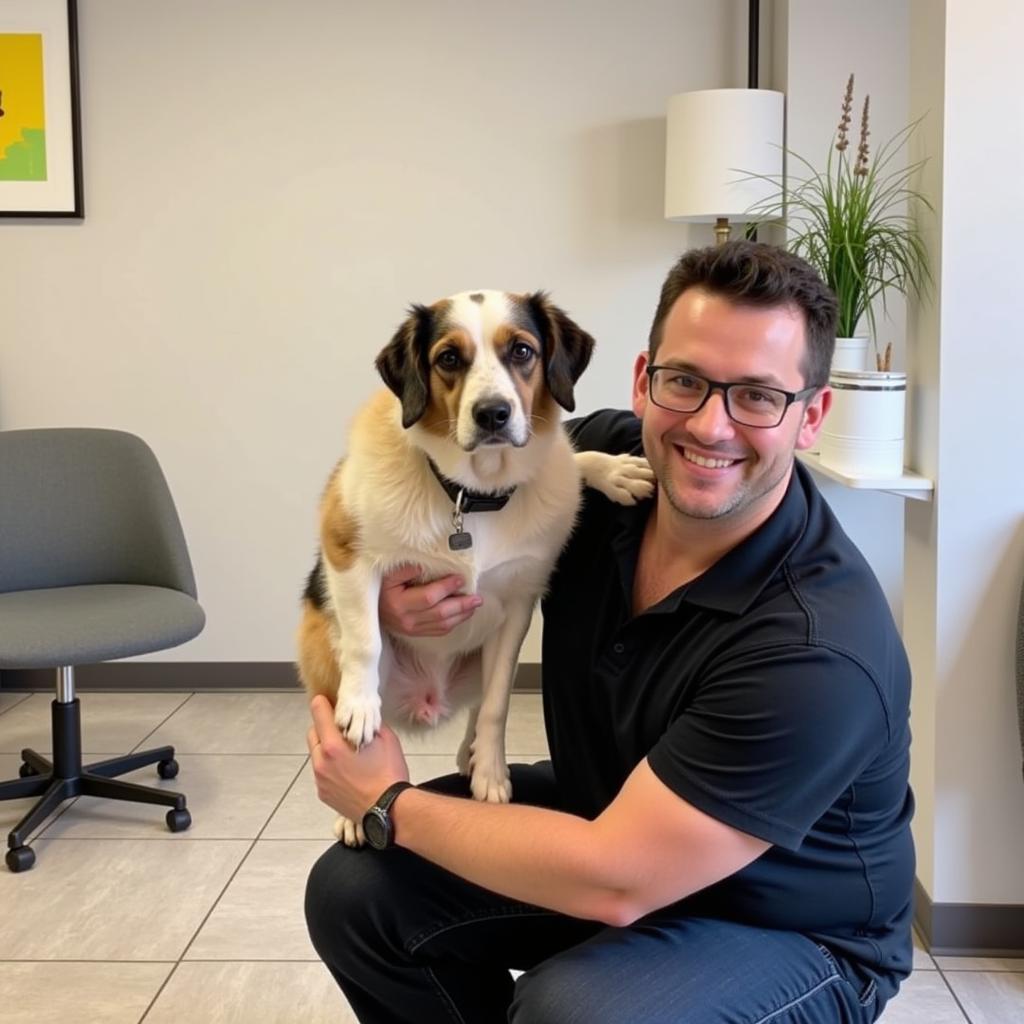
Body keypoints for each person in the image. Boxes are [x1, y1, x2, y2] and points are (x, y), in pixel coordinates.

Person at [304, 241, 915, 1024]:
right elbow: (376, 516)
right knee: (358, 891)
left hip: (788, 929)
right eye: (685, 381)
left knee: (578, 1014)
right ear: (641, 380)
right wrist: (397, 607)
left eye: (758, 396)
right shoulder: (585, 467)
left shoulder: (817, 647)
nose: (711, 426)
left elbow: (618, 878)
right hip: (618, 813)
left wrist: (389, 800)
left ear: (811, 417)